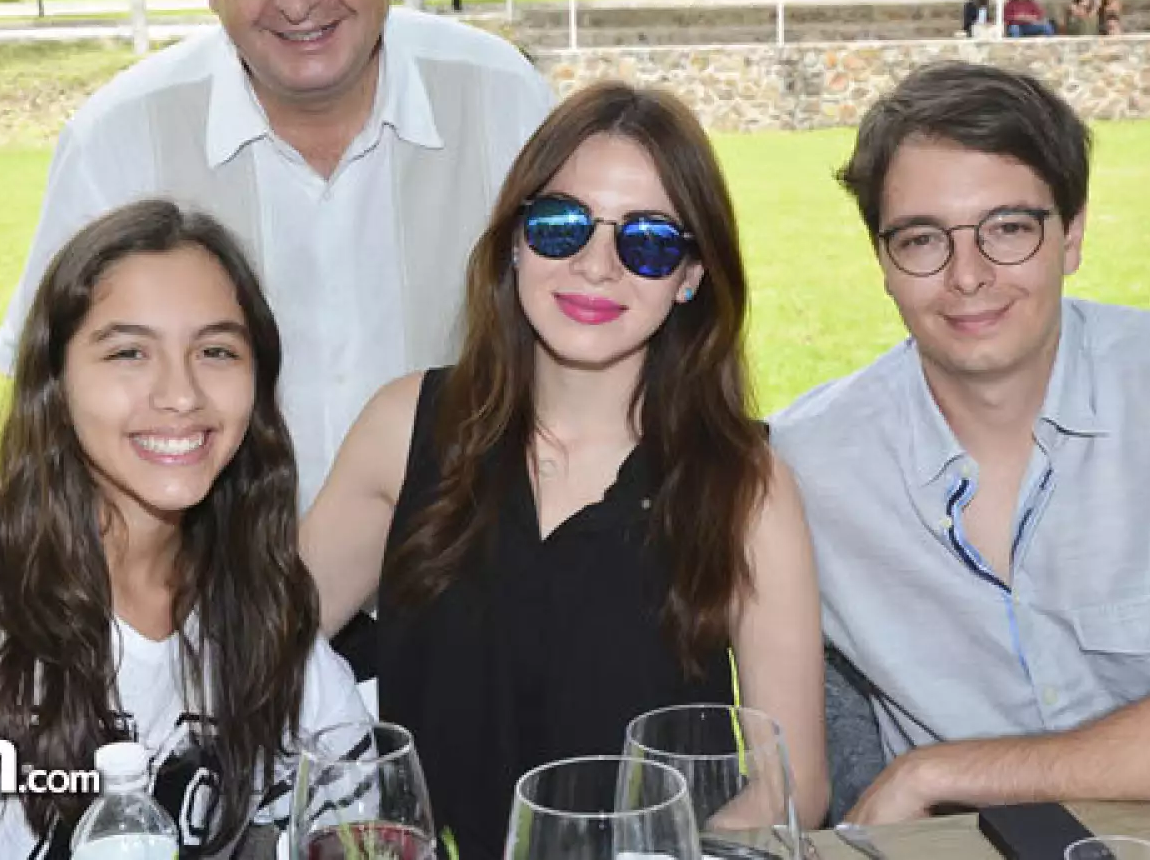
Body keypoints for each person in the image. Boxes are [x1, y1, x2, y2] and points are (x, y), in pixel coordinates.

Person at [770, 62, 1150, 825]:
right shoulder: (802, 465)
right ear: (882, 262)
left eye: (1008, 228)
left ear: (1071, 234)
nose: (967, 275)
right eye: (921, 238)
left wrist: (938, 770)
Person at [0, 0, 553, 506]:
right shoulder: (118, 142)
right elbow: (48, 413)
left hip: (462, 594)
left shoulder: (503, 103)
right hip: (211, 603)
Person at [300, 82, 829, 858]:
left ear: (691, 275)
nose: (596, 265)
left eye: (647, 241)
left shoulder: (745, 489)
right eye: (560, 225)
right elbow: (256, 657)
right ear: (514, 240)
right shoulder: (404, 427)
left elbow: (793, 787)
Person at [0, 200, 367, 859]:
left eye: (217, 350)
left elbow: (364, 825)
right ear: (57, 380)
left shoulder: (263, 620)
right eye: (129, 351)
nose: (181, 392)